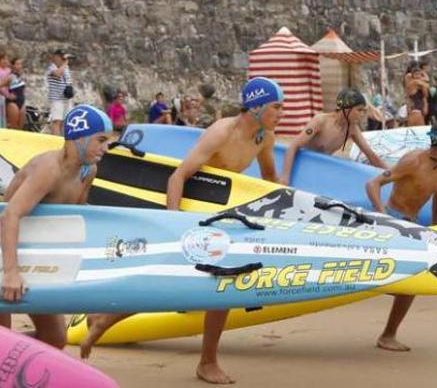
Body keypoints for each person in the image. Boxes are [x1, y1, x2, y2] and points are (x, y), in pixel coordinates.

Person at [81, 77, 286, 384]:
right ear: (255, 106)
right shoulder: (221, 133)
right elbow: (178, 176)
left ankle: (107, 318)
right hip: (191, 210)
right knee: (196, 284)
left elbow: (269, 178)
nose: (281, 113)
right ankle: (202, 360)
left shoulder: (264, 136)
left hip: (222, 214)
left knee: (205, 288)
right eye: (276, 106)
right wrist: (174, 224)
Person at [0, 106, 113, 349]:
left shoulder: (87, 171)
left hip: (34, 253)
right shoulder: (49, 169)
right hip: (5, 250)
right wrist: (11, 272)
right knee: (3, 335)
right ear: (79, 137)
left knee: (55, 339)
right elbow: (10, 214)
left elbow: (74, 219)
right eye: (101, 140)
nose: (106, 148)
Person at [366, 118, 437, 351]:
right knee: (405, 281)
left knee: (412, 283)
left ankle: (388, 335)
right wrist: (383, 218)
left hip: (412, 224)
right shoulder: (413, 161)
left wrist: (436, 225)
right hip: (391, 219)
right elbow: (372, 184)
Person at [280, 88, 388, 183]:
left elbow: (370, 154)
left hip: (321, 167)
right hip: (302, 164)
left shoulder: (352, 129)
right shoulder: (320, 122)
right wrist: (285, 177)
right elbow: (293, 146)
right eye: (359, 110)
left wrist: (392, 174)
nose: (362, 114)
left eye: (364, 111)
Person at [46, 50, 73, 136]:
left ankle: (62, 139)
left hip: (66, 98)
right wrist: (65, 63)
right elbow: (57, 73)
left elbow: (68, 81)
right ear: (55, 57)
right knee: (57, 120)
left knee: (66, 121)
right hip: (56, 98)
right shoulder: (52, 67)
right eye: (60, 57)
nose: (62, 59)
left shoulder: (66, 68)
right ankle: (56, 141)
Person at [404, 61, 429, 127]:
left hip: (421, 108)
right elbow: (427, 81)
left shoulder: (421, 85)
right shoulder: (412, 82)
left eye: (419, 74)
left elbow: (426, 95)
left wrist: (426, 104)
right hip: (415, 109)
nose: (418, 76)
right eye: (416, 74)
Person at [8, 58, 25, 129]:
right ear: (13, 66)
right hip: (13, 103)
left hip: (22, 101)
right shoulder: (11, 76)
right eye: (17, 64)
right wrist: (7, 95)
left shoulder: (21, 76)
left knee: (21, 127)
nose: (19, 66)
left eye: (20, 64)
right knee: (14, 126)